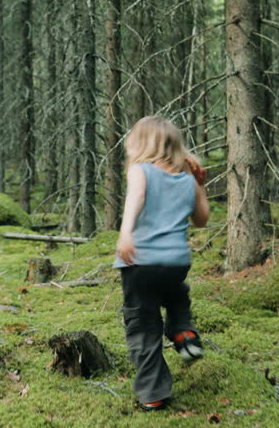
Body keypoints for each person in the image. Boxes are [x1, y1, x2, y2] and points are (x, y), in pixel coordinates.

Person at [113, 115, 210, 412]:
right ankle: (182, 330)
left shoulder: (140, 170)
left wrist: (126, 233)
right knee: (176, 294)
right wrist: (199, 184)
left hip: (140, 262)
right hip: (176, 261)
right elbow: (202, 220)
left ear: (141, 143)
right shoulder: (187, 180)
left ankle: (153, 393)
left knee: (143, 324)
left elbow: (137, 197)